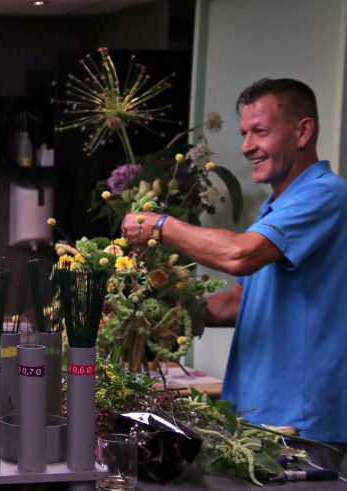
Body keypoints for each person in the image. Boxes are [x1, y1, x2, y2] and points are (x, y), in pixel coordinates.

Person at [121, 78, 347, 469]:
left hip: (301, 418)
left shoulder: (325, 194)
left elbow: (241, 256)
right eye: (245, 133)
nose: (247, 147)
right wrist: (165, 314)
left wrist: (160, 226)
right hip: (258, 409)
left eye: (261, 131)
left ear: (303, 131)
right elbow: (241, 301)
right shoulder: (279, 205)